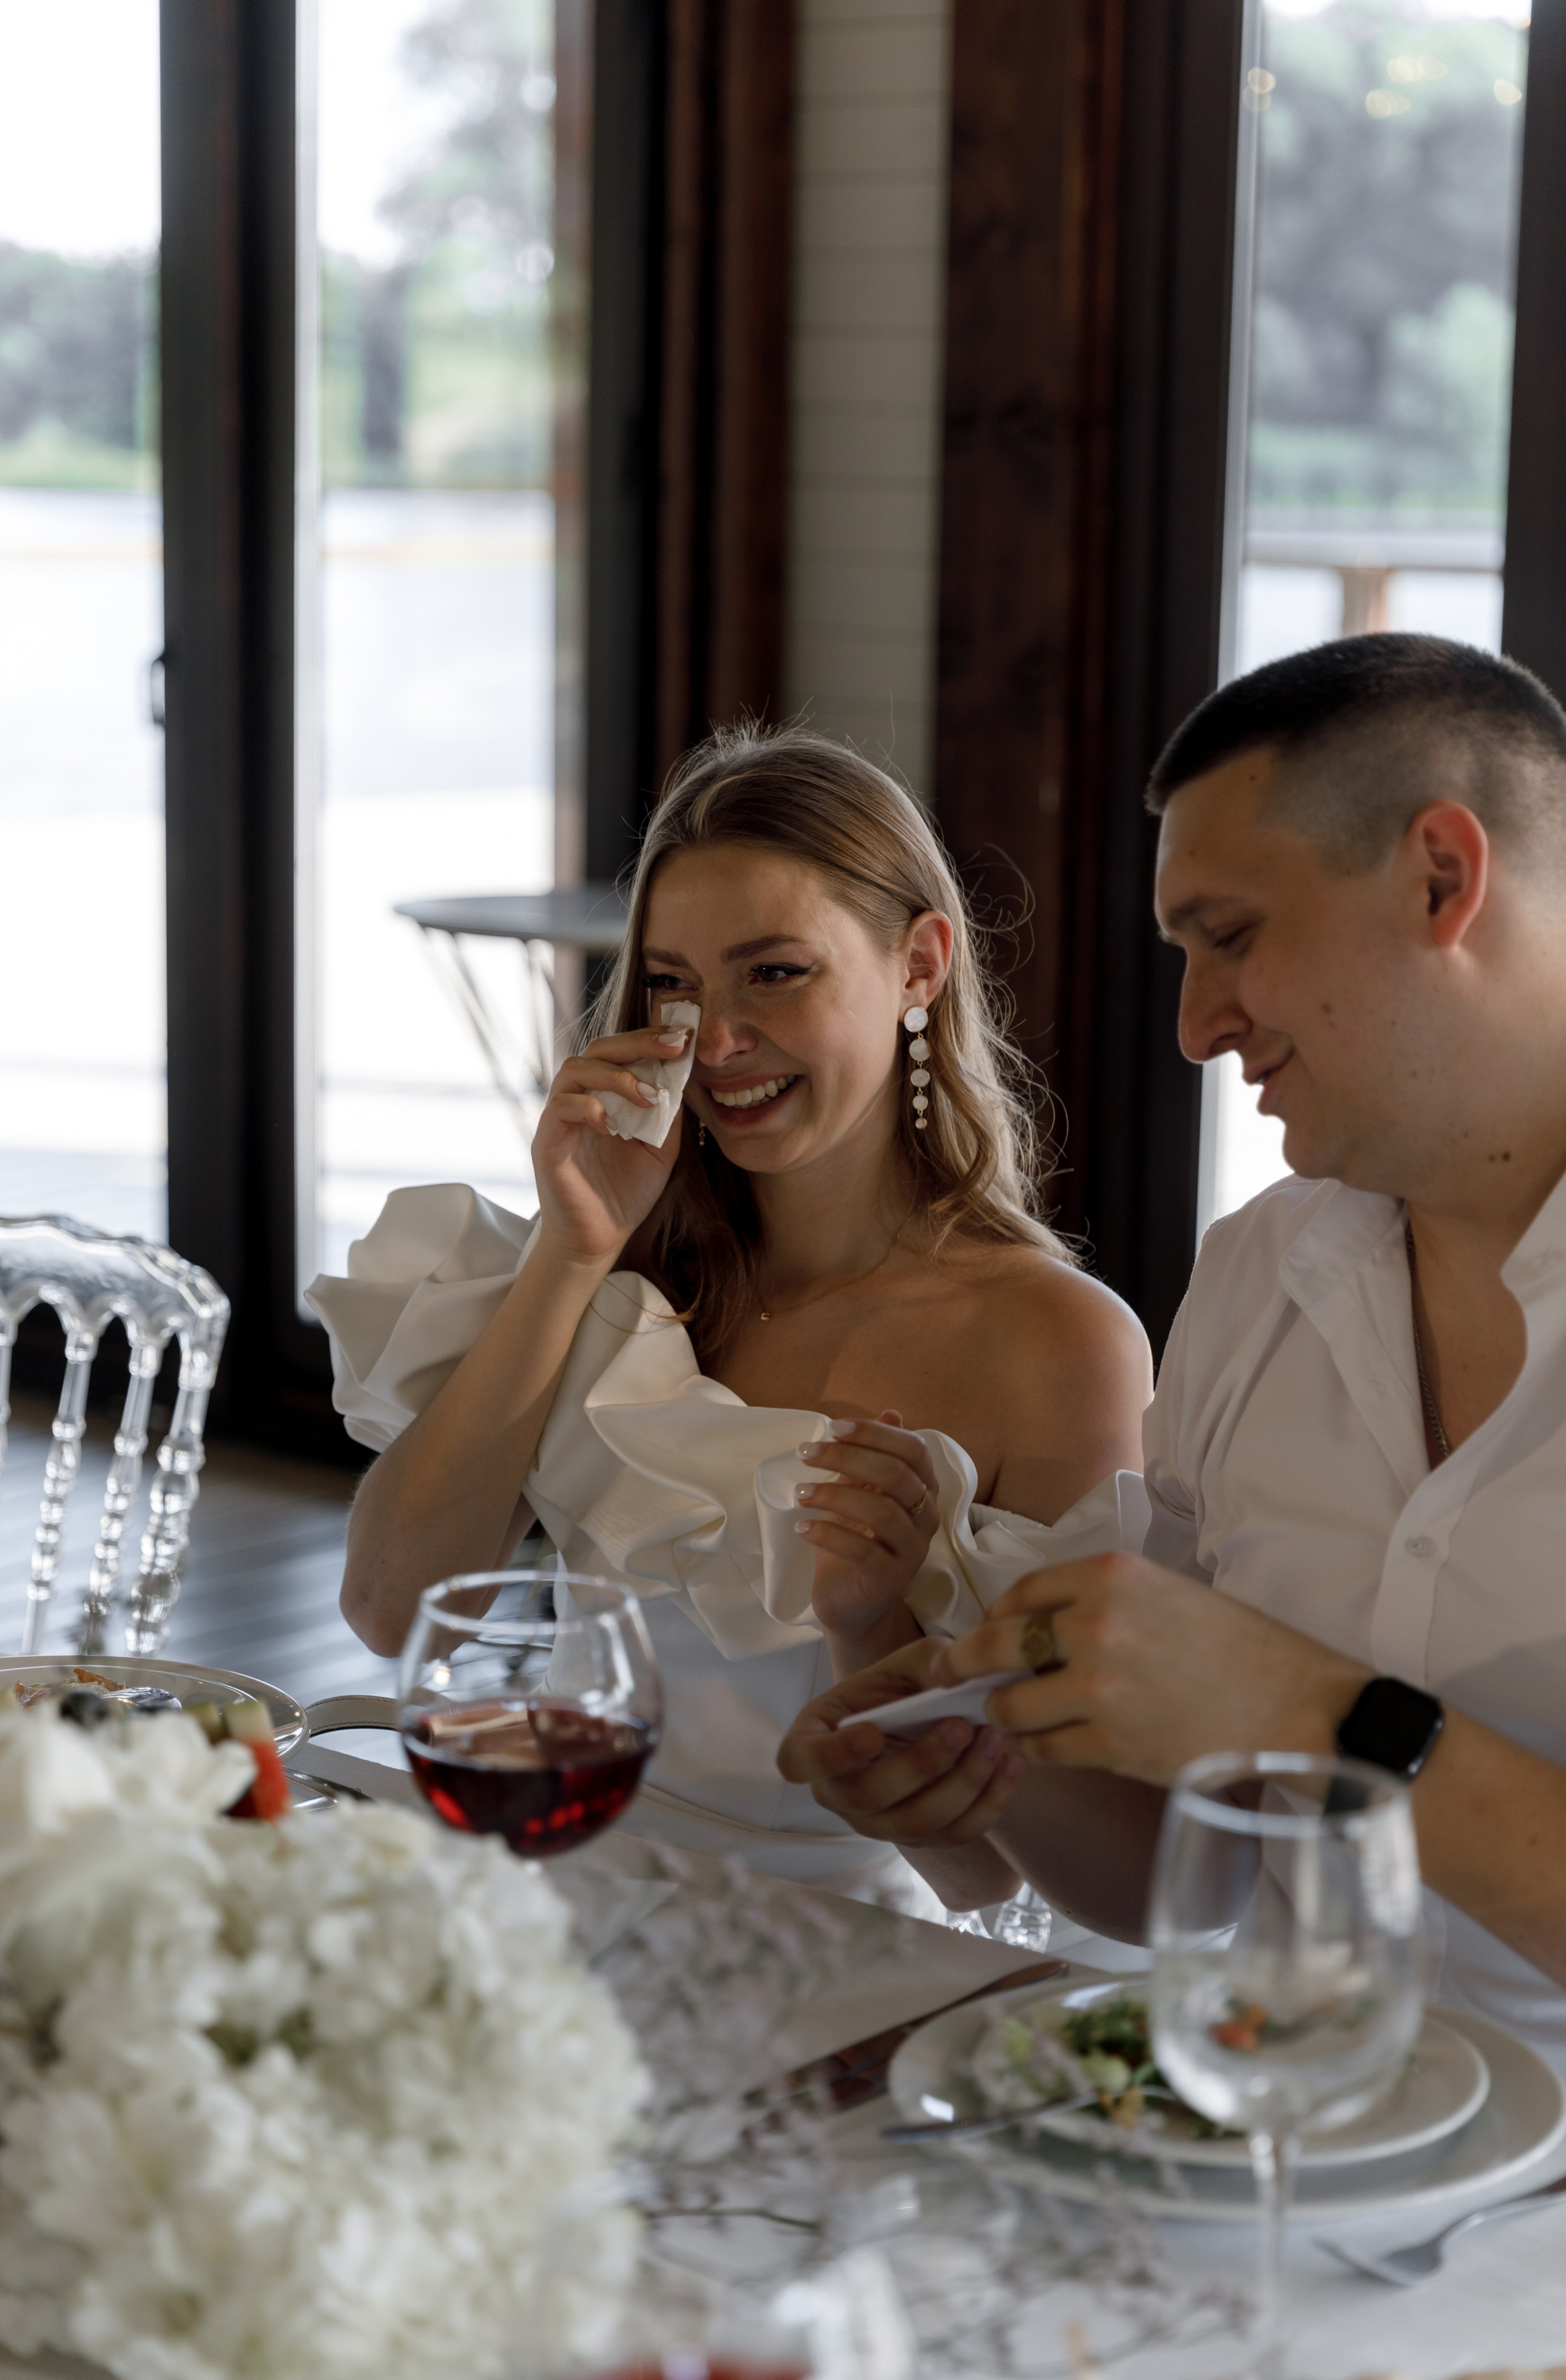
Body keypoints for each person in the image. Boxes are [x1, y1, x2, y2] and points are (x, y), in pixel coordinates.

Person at [779, 633, 1566, 2055]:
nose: (1197, 1029)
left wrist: (1310, 1709)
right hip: (1252, 2116)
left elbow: (1278, 1713)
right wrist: (991, 1753)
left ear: (1439, 878)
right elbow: (1172, 1887)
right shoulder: (1256, 1279)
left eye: (1232, 936)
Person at [310, 725, 1150, 1907]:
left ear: (920, 966)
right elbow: (391, 1612)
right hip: (554, 1886)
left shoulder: (1055, 1346)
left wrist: (871, 1625)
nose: (716, 1039)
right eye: (674, 984)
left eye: (776, 972)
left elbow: (983, 1877)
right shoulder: (629, 1275)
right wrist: (572, 1251)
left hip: (846, 1949)